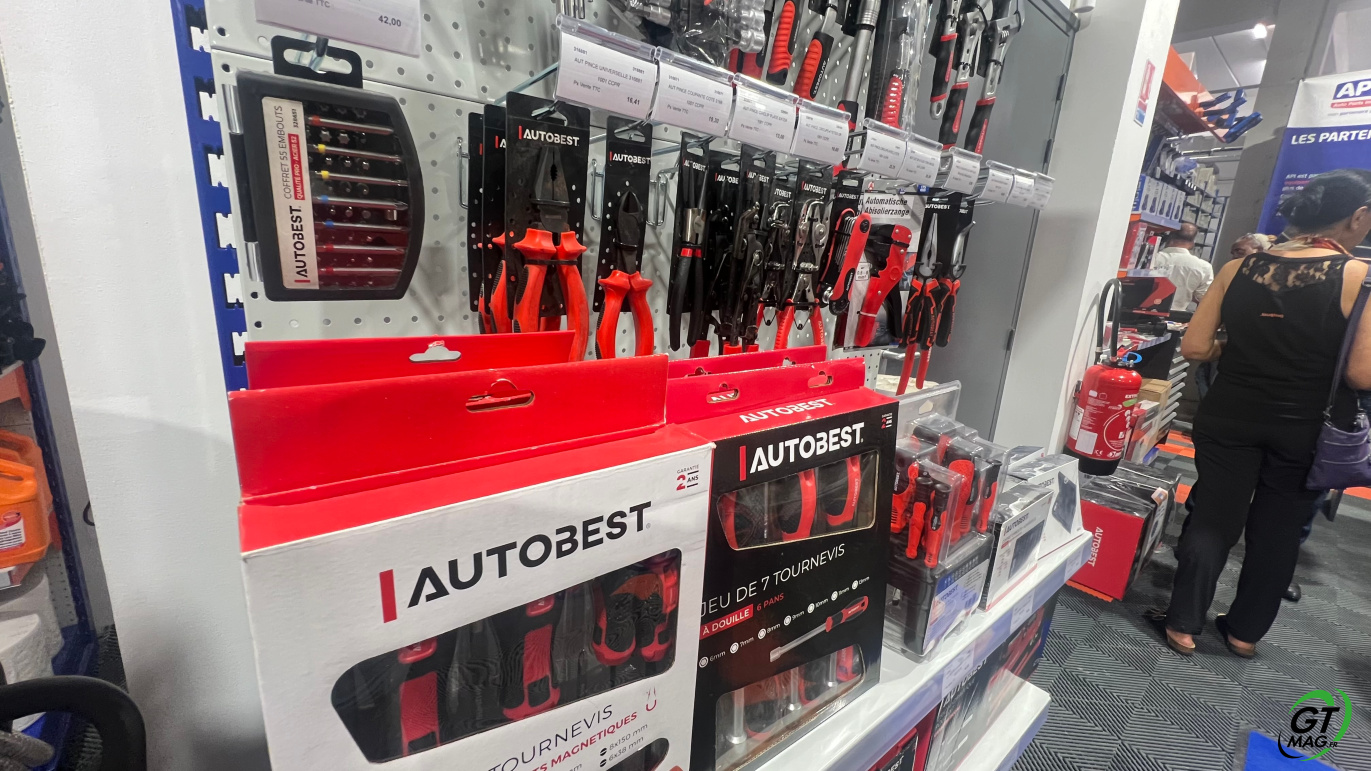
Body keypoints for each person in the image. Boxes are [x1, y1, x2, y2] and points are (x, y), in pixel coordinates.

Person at [1156, 169, 1371, 658]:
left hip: (1230, 412)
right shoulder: (1359, 278)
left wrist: (1234, 350)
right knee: (1278, 532)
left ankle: (1183, 623)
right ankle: (1244, 633)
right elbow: (1361, 374)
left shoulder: (1238, 268)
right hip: (1307, 427)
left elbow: (1195, 346)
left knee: (1213, 517)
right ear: (1357, 216)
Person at [1152, 222, 1215, 312]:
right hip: (1176, 317)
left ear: (1169, 238)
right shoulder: (1204, 267)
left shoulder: (1152, 258)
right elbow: (1206, 301)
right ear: (1193, 243)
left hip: (1142, 314)